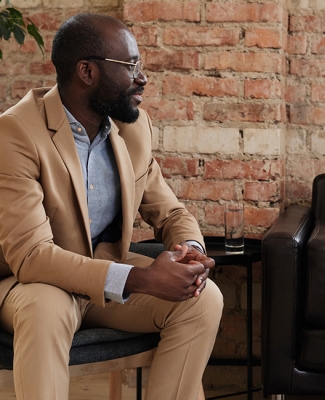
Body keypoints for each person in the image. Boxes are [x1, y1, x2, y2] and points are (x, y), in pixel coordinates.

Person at [0, 12, 223, 400]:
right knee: (45, 309)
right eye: (130, 65)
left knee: (202, 299)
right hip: (32, 281)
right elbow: (32, 256)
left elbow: (170, 212)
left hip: (103, 281)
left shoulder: (132, 129)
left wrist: (191, 251)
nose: (143, 77)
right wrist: (142, 279)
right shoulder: (15, 133)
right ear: (86, 72)